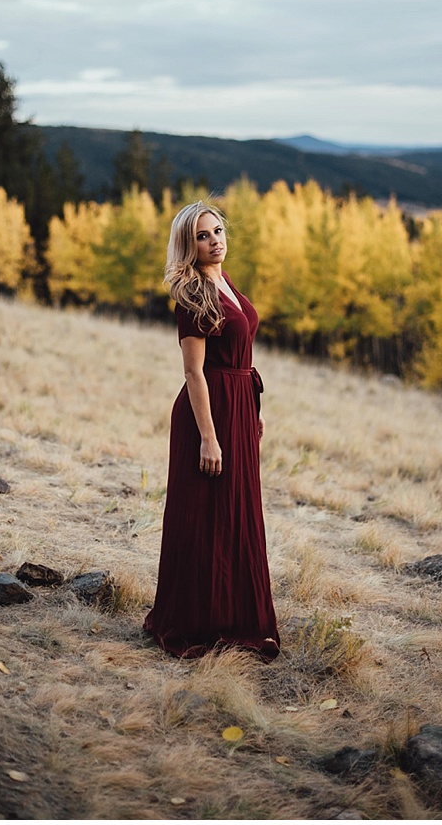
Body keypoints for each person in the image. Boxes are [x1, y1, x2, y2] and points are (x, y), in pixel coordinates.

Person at [144, 200, 280, 660]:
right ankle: (195, 620)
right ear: (188, 244)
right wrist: (208, 436)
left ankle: (233, 614)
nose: (214, 240)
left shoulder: (224, 281)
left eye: (217, 230)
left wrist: (249, 415)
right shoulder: (194, 294)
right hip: (210, 414)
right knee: (204, 518)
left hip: (237, 408)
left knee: (236, 514)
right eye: (202, 236)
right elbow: (194, 373)